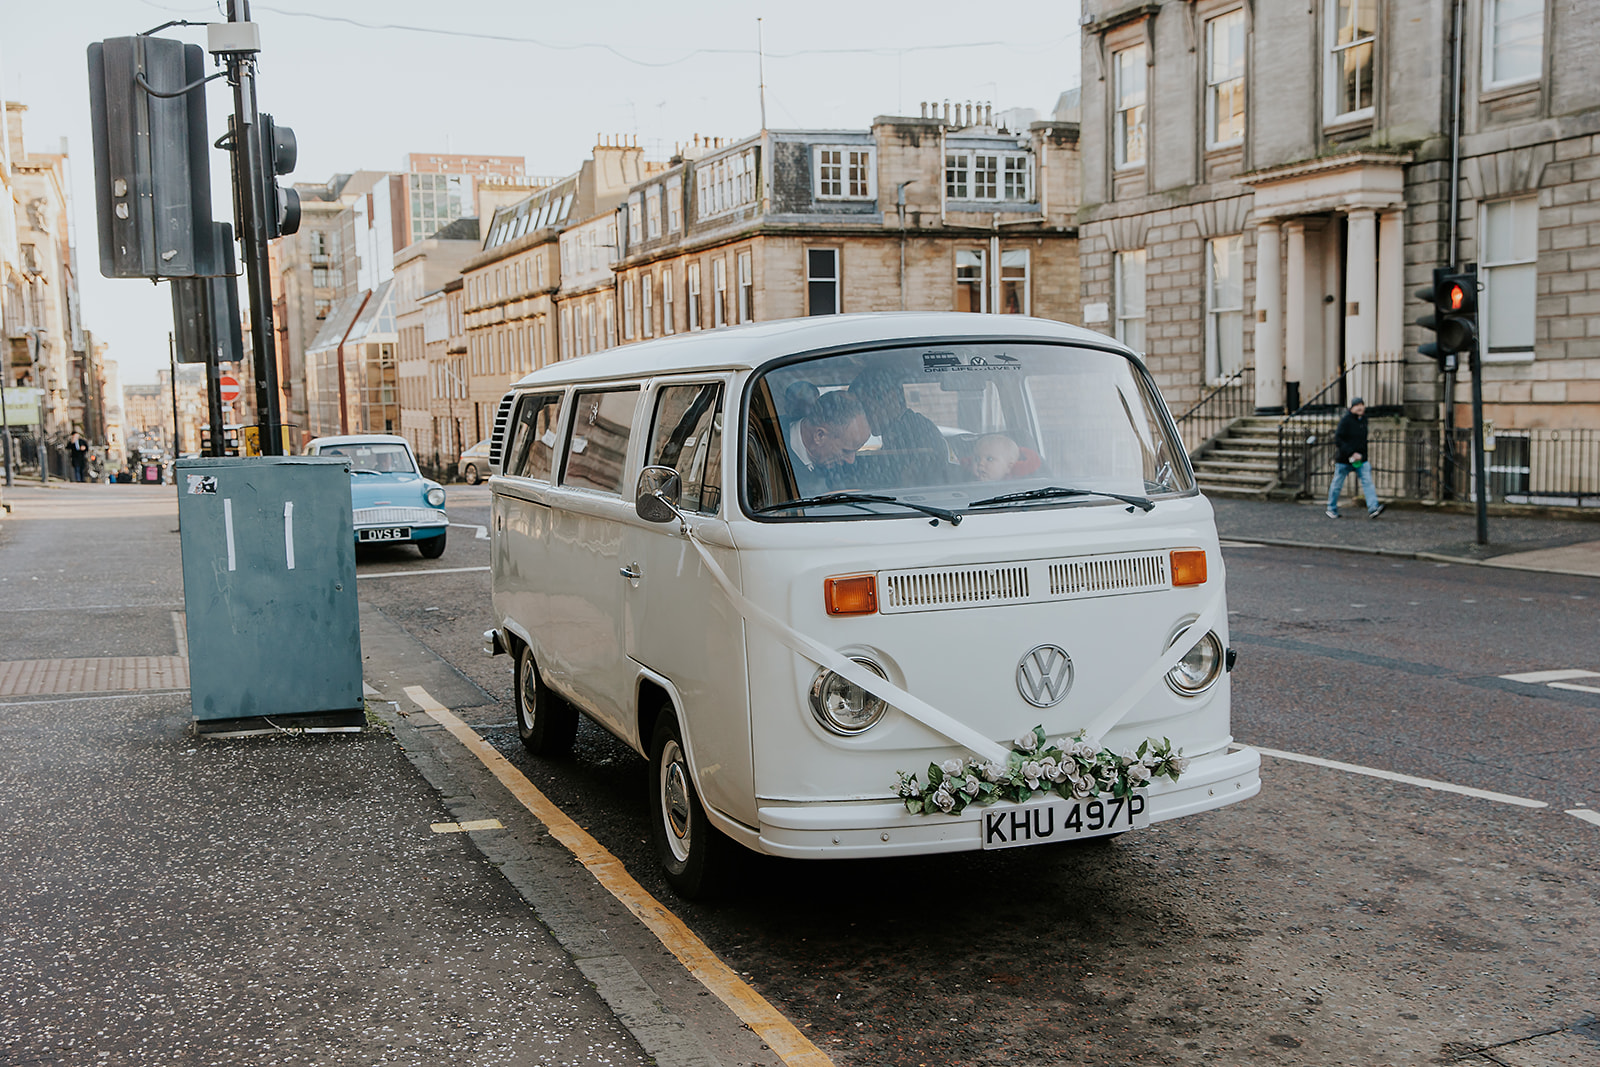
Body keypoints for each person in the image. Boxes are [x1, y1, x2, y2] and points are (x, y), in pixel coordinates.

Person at [849, 369, 949, 484]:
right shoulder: (901, 427)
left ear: (891, 398)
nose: (862, 416)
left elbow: (907, 480)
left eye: (865, 407)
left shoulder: (914, 430)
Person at [786, 390, 871, 499]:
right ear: (819, 436)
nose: (851, 460)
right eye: (846, 451)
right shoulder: (767, 454)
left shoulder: (843, 468)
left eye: (855, 451)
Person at [1327, 397, 1384, 518]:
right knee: (1337, 484)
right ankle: (1331, 508)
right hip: (1344, 459)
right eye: (1357, 405)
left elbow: (1363, 441)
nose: (1360, 407)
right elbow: (1338, 439)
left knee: (1368, 483)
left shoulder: (1364, 420)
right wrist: (1351, 453)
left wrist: (1362, 455)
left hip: (1361, 460)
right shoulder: (1345, 421)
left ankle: (1373, 507)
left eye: (1361, 405)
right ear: (1351, 408)